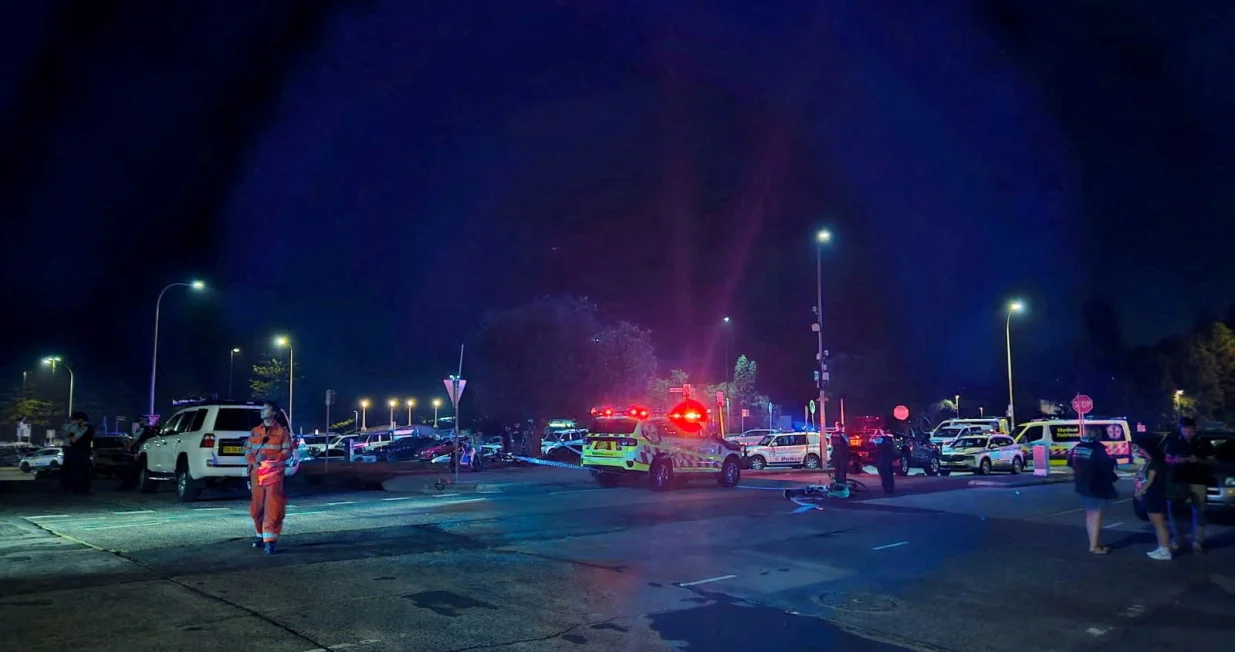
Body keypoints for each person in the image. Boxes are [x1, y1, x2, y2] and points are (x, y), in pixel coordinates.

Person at [244, 401, 293, 555]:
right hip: (256, 473)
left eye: (265, 409)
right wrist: (254, 462)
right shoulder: (255, 431)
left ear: (274, 412)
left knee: (273, 507)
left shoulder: (282, 432)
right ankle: (260, 536)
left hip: (273, 474)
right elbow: (247, 450)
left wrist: (271, 459)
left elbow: (288, 451)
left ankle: (270, 541)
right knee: (256, 508)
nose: (262, 411)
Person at [1162, 417, 1214, 553]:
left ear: (1195, 429)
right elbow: (1167, 459)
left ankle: (1198, 541)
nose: (1187, 434)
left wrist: (1198, 460)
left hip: (1198, 481)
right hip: (1179, 480)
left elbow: (1212, 461)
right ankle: (1179, 539)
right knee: (1174, 510)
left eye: (1190, 431)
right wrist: (1177, 460)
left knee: (1199, 511)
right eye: (1184, 431)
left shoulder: (1204, 442)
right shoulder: (1174, 441)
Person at [1071, 425, 1119, 554]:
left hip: (1082, 485)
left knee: (1089, 514)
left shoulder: (1078, 447)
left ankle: (1094, 542)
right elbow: (1105, 467)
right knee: (1096, 514)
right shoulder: (1098, 448)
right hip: (1096, 485)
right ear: (1097, 435)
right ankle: (1094, 546)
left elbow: (1070, 462)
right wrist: (1113, 477)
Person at [1132, 435, 1172, 560]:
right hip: (1151, 495)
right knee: (1156, 523)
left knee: (1159, 523)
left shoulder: (1156, 462)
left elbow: (1149, 481)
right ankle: (1161, 547)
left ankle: (1165, 550)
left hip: (1155, 494)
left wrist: (1139, 492)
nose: (1140, 451)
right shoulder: (1151, 461)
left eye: (1142, 449)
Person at [61, 411, 95, 494]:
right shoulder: (81, 427)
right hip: (79, 452)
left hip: (76, 452)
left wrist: (68, 434)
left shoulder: (81, 427)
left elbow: (73, 439)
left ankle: (73, 489)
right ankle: (79, 489)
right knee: (80, 471)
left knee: (75, 471)